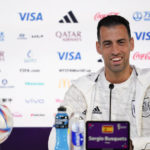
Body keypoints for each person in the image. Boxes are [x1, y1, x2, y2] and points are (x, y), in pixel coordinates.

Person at [48, 15, 150, 150]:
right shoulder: (81, 89)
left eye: (121, 42)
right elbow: (56, 141)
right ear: (98, 47)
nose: (115, 51)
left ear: (131, 44)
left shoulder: (148, 83)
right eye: (108, 44)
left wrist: (131, 145)